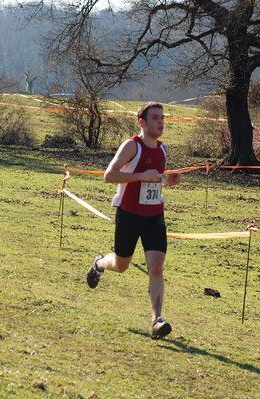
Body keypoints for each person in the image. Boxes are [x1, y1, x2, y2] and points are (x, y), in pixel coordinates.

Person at [86, 102, 182, 340]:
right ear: (143, 122)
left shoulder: (162, 149)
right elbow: (109, 175)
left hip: (154, 216)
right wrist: (141, 176)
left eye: (162, 118)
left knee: (156, 266)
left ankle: (156, 322)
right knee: (121, 266)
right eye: (155, 118)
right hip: (129, 215)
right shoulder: (132, 146)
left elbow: (156, 180)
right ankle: (99, 264)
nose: (160, 122)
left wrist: (169, 181)